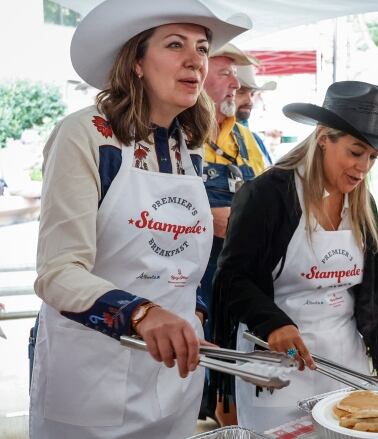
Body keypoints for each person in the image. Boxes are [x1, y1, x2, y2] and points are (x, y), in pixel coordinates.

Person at [29, 1, 250, 438]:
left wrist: (195, 318)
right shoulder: (87, 134)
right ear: (136, 62)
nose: (195, 60)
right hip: (92, 381)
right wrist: (142, 313)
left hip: (173, 378)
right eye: (175, 45)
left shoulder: (189, 145)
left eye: (202, 48)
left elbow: (189, 263)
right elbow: (57, 272)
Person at [211, 81, 378, 433]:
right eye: (355, 152)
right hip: (280, 362)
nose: (363, 168)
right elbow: (233, 277)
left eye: (372, 157)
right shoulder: (267, 195)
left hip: (345, 359)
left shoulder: (361, 204)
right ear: (324, 136)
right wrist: (272, 322)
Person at [200, 43, 270, 425]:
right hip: (195, 275)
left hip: (241, 273)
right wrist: (203, 216)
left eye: (237, 78)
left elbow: (273, 201)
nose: (236, 86)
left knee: (237, 361)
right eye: (226, 74)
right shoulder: (178, 136)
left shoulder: (249, 141)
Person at [235, 64, 275, 165]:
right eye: (241, 92)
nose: (249, 101)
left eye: (252, 94)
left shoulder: (255, 140)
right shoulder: (203, 138)